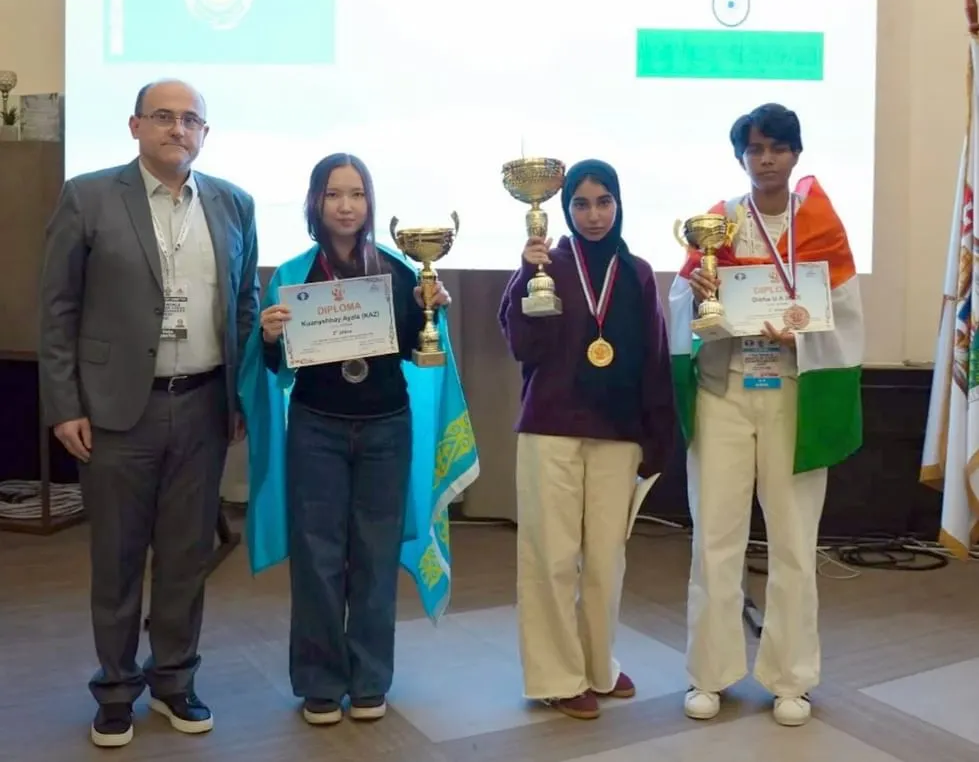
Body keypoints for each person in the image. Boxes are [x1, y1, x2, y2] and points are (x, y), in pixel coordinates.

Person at [37, 80, 259, 748]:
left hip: (202, 405)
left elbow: (243, 306)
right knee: (117, 558)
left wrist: (241, 397)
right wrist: (64, 404)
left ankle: (173, 681)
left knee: (186, 558)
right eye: (163, 117)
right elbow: (57, 307)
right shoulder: (88, 196)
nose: (177, 129)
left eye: (190, 120)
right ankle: (114, 689)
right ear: (135, 126)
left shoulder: (234, 204)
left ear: (204, 135)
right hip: (114, 413)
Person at [238, 153, 479, 726]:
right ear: (314, 202)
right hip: (316, 428)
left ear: (370, 203)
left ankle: (370, 680)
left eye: (357, 194)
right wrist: (268, 337)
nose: (345, 206)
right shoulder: (293, 274)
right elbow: (276, 368)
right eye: (333, 194)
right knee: (317, 557)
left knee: (375, 555)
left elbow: (418, 351)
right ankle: (320, 683)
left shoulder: (399, 270)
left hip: (385, 429)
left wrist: (433, 313)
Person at [669, 103, 864, 727]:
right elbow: (680, 306)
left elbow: (847, 316)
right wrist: (699, 298)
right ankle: (709, 673)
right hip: (723, 392)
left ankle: (790, 678)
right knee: (714, 537)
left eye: (777, 147)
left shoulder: (821, 225)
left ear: (796, 154)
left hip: (792, 395)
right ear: (741, 158)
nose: (766, 159)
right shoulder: (719, 220)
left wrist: (799, 335)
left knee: (794, 541)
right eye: (754, 149)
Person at [498, 159, 678, 720]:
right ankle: (556, 676)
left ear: (618, 205)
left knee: (605, 560)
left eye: (604, 202)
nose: (594, 215)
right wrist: (526, 275)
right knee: (550, 556)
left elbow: (653, 356)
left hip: (617, 432)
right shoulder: (545, 265)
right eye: (581, 204)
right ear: (565, 208)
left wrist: (656, 436)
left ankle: (598, 663)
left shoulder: (638, 272)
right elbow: (523, 346)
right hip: (551, 427)